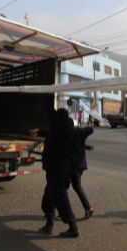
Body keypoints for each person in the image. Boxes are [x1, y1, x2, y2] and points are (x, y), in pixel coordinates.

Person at [38, 96, 80, 238]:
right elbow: (49, 132)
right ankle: (49, 224)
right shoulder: (61, 130)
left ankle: (73, 228)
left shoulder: (60, 130)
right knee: (49, 198)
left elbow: (50, 111)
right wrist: (39, 131)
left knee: (60, 200)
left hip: (58, 171)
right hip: (56, 171)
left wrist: (47, 93)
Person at [69, 119, 95, 219]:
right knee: (76, 186)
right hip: (80, 164)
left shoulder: (65, 132)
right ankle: (88, 208)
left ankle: (62, 211)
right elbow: (90, 129)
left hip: (71, 165)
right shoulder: (80, 131)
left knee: (63, 188)